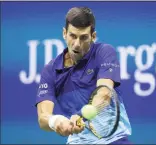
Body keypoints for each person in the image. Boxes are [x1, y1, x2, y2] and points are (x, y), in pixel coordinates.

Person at [36, 7, 132, 144]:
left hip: (114, 140)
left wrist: (81, 116)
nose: (77, 44)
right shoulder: (50, 71)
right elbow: (43, 117)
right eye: (72, 36)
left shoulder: (104, 52)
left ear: (93, 36)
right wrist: (55, 121)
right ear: (64, 33)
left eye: (83, 37)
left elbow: (104, 94)